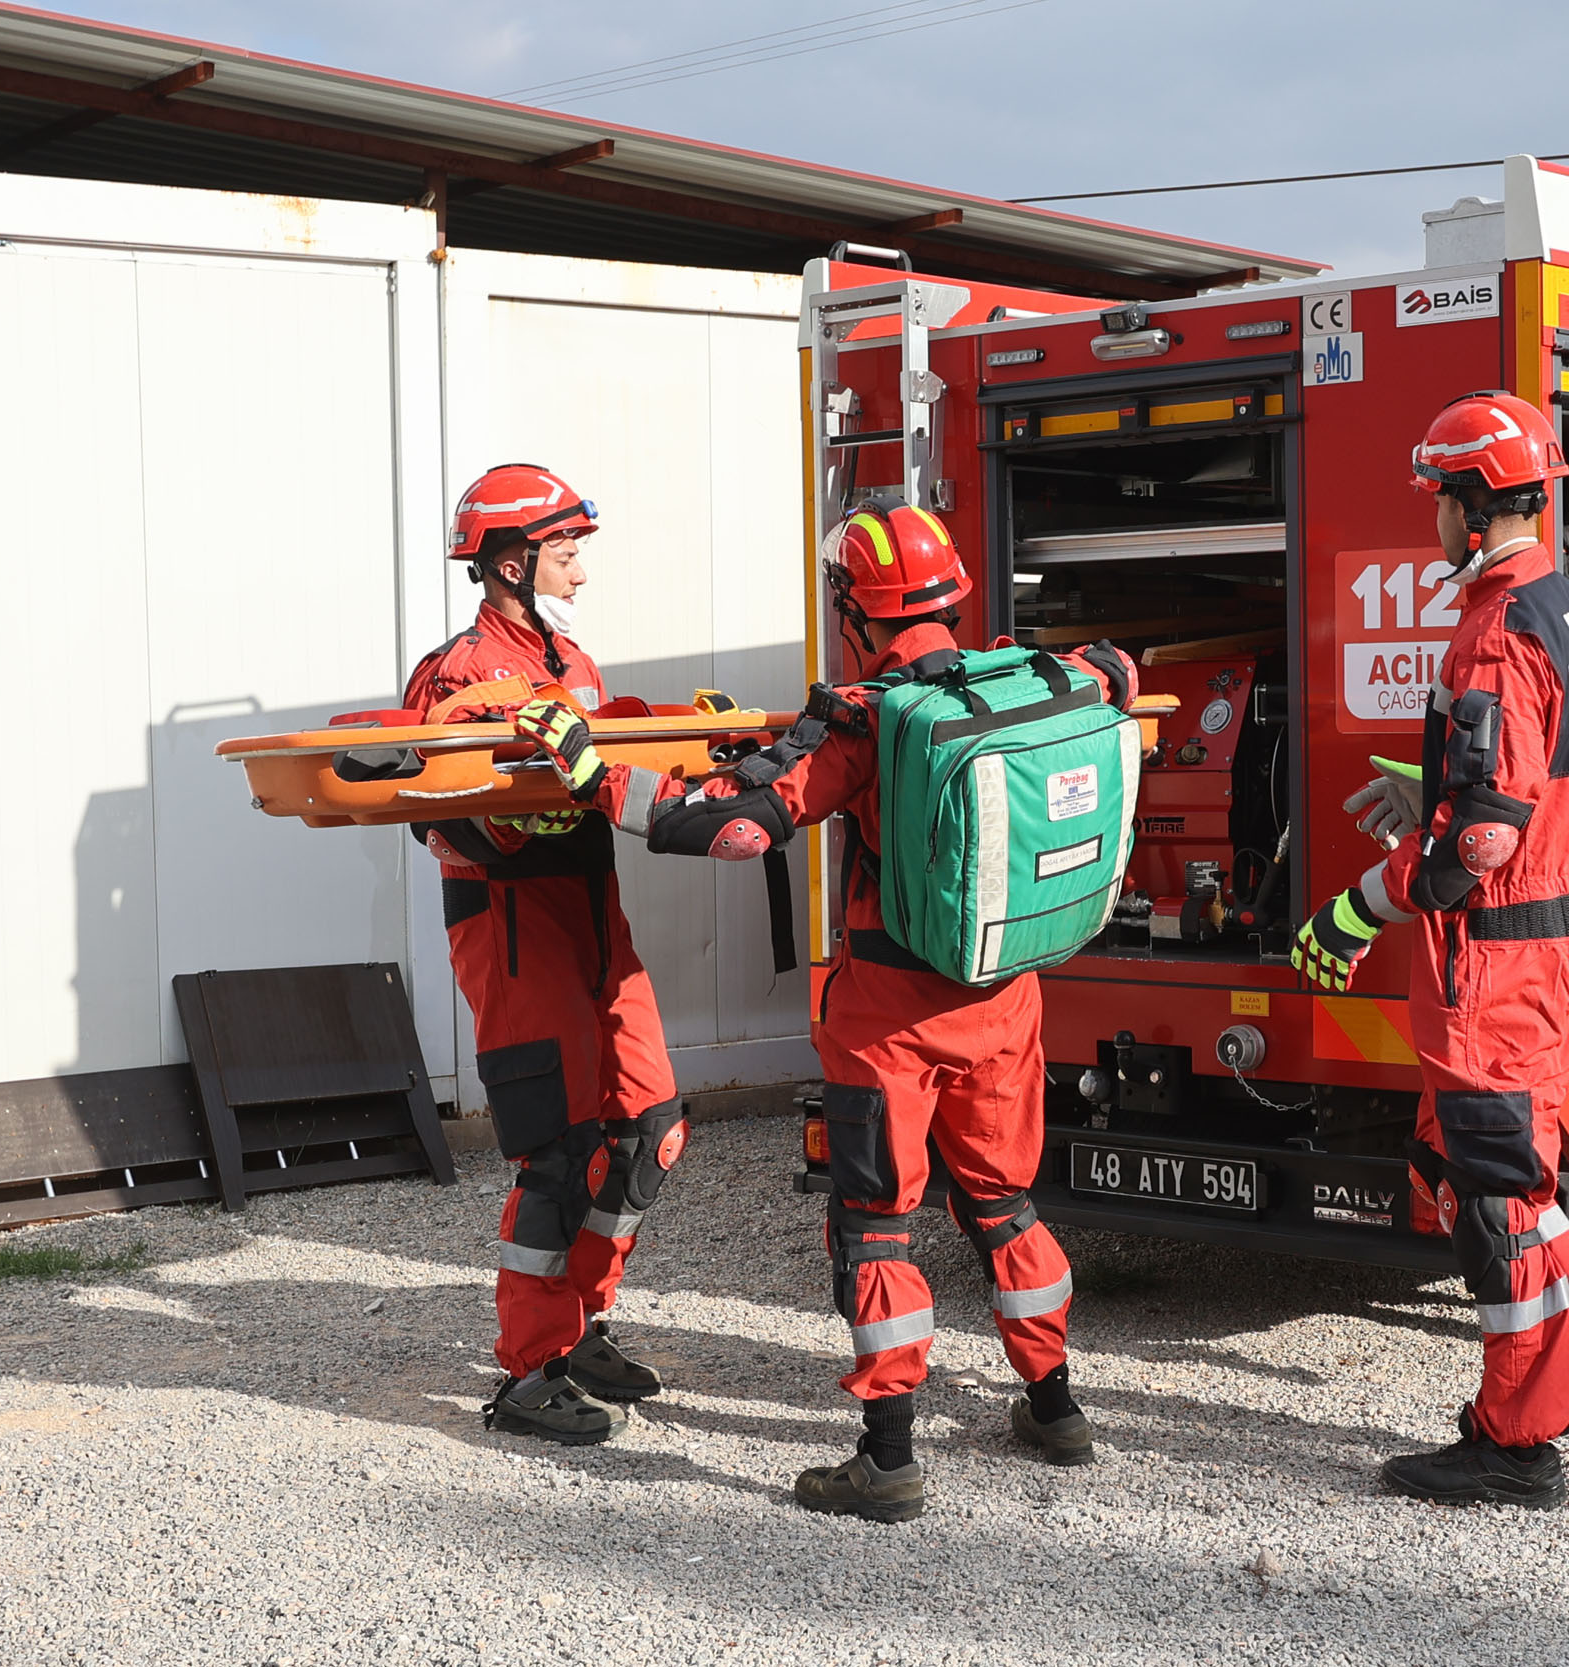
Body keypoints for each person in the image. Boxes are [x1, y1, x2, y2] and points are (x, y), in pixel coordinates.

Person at [517, 498, 1135, 1523]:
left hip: (889, 1020)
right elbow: (1119, 671)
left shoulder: (862, 718)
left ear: (856, 609)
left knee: (877, 1224)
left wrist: (590, 774)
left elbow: (728, 831)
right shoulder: (1040, 676)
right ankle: (1054, 1405)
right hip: (1005, 998)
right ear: (953, 596)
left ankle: (886, 1459)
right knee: (1004, 1203)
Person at [1293, 391, 1569, 1512]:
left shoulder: (1496, 630)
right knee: (1519, 1171)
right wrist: (1436, 792)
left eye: (1439, 501)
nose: (1435, 524)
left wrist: (1362, 902)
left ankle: (1514, 1438)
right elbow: (1554, 781)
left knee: (1493, 1192)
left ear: (1467, 503)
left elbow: (1490, 834)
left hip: (1500, 956)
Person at [404, 463, 686, 1445]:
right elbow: (438, 820)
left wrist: (670, 733)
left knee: (651, 1129)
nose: (581, 568)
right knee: (559, 1152)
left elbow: (602, 763)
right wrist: (524, 804)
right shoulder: (458, 674)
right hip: (513, 926)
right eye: (566, 550)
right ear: (513, 560)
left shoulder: (573, 661)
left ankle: (580, 1324)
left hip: (595, 918)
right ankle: (528, 1371)